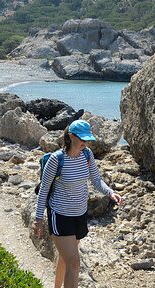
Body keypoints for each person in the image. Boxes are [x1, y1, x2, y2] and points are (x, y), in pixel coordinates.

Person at [33, 119, 124, 288]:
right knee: (74, 263)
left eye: (87, 139)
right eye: (81, 138)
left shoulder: (87, 154)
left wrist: (111, 193)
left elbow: (96, 180)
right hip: (59, 215)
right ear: (71, 136)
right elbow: (44, 189)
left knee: (66, 258)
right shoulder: (56, 159)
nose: (85, 142)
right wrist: (38, 219)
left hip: (80, 214)